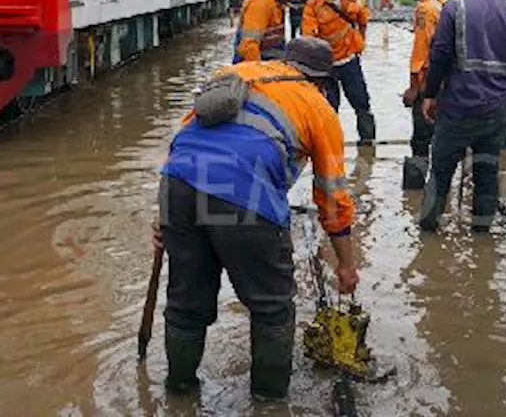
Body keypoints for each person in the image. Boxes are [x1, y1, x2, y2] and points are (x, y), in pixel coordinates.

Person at [153, 37, 358, 400]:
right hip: (244, 193)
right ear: (323, 82)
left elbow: (184, 134)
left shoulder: (234, 73)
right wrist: (346, 263)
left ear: (283, 62)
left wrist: (165, 218)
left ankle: (179, 393)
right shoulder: (318, 106)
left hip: (178, 185)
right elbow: (331, 195)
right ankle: (268, 401)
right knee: (272, 307)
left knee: (186, 302)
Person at [417, 0, 506, 233]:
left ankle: (428, 234)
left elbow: (440, 54)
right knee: (487, 174)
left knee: (440, 173)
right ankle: (481, 235)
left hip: (457, 107)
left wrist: (429, 94)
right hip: (495, 110)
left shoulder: (456, 8)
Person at [302, 0, 376, 141]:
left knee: (362, 103)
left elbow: (363, 18)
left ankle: (368, 144)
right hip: (327, 67)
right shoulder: (313, 6)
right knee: (328, 108)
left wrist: (360, 43)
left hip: (349, 60)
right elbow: (308, 37)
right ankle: (331, 146)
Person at [399, 0, 448, 190]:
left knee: (421, 140)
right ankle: (442, 187)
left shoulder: (425, 10)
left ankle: (416, 193)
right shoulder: (447, 3)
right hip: (450, 84)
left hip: (430, 84)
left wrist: (414, 88)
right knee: (445, 139)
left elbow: (421, 54)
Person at [234, 0, 311, 63]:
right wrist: (259, 76)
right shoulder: (262, 0)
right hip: (255, 74)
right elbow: (249, 47)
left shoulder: (276, 3)